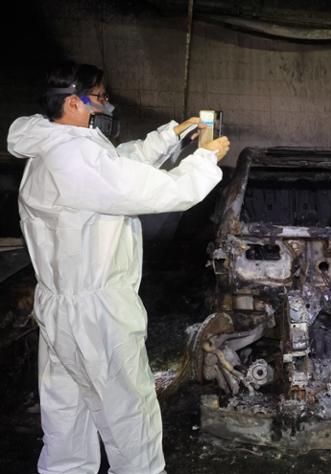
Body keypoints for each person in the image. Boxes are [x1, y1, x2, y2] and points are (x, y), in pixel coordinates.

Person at [7, 61, 230, 474]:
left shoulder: (53, 146)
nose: (106, 108)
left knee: (67, 417)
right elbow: (163, 191)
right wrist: (204, 160)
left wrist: (170, 137)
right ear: (74, 102)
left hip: (61, 308)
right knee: (129, 415)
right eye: (101, 99)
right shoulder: (72, 159)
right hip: (98, 314)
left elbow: (116, 165)